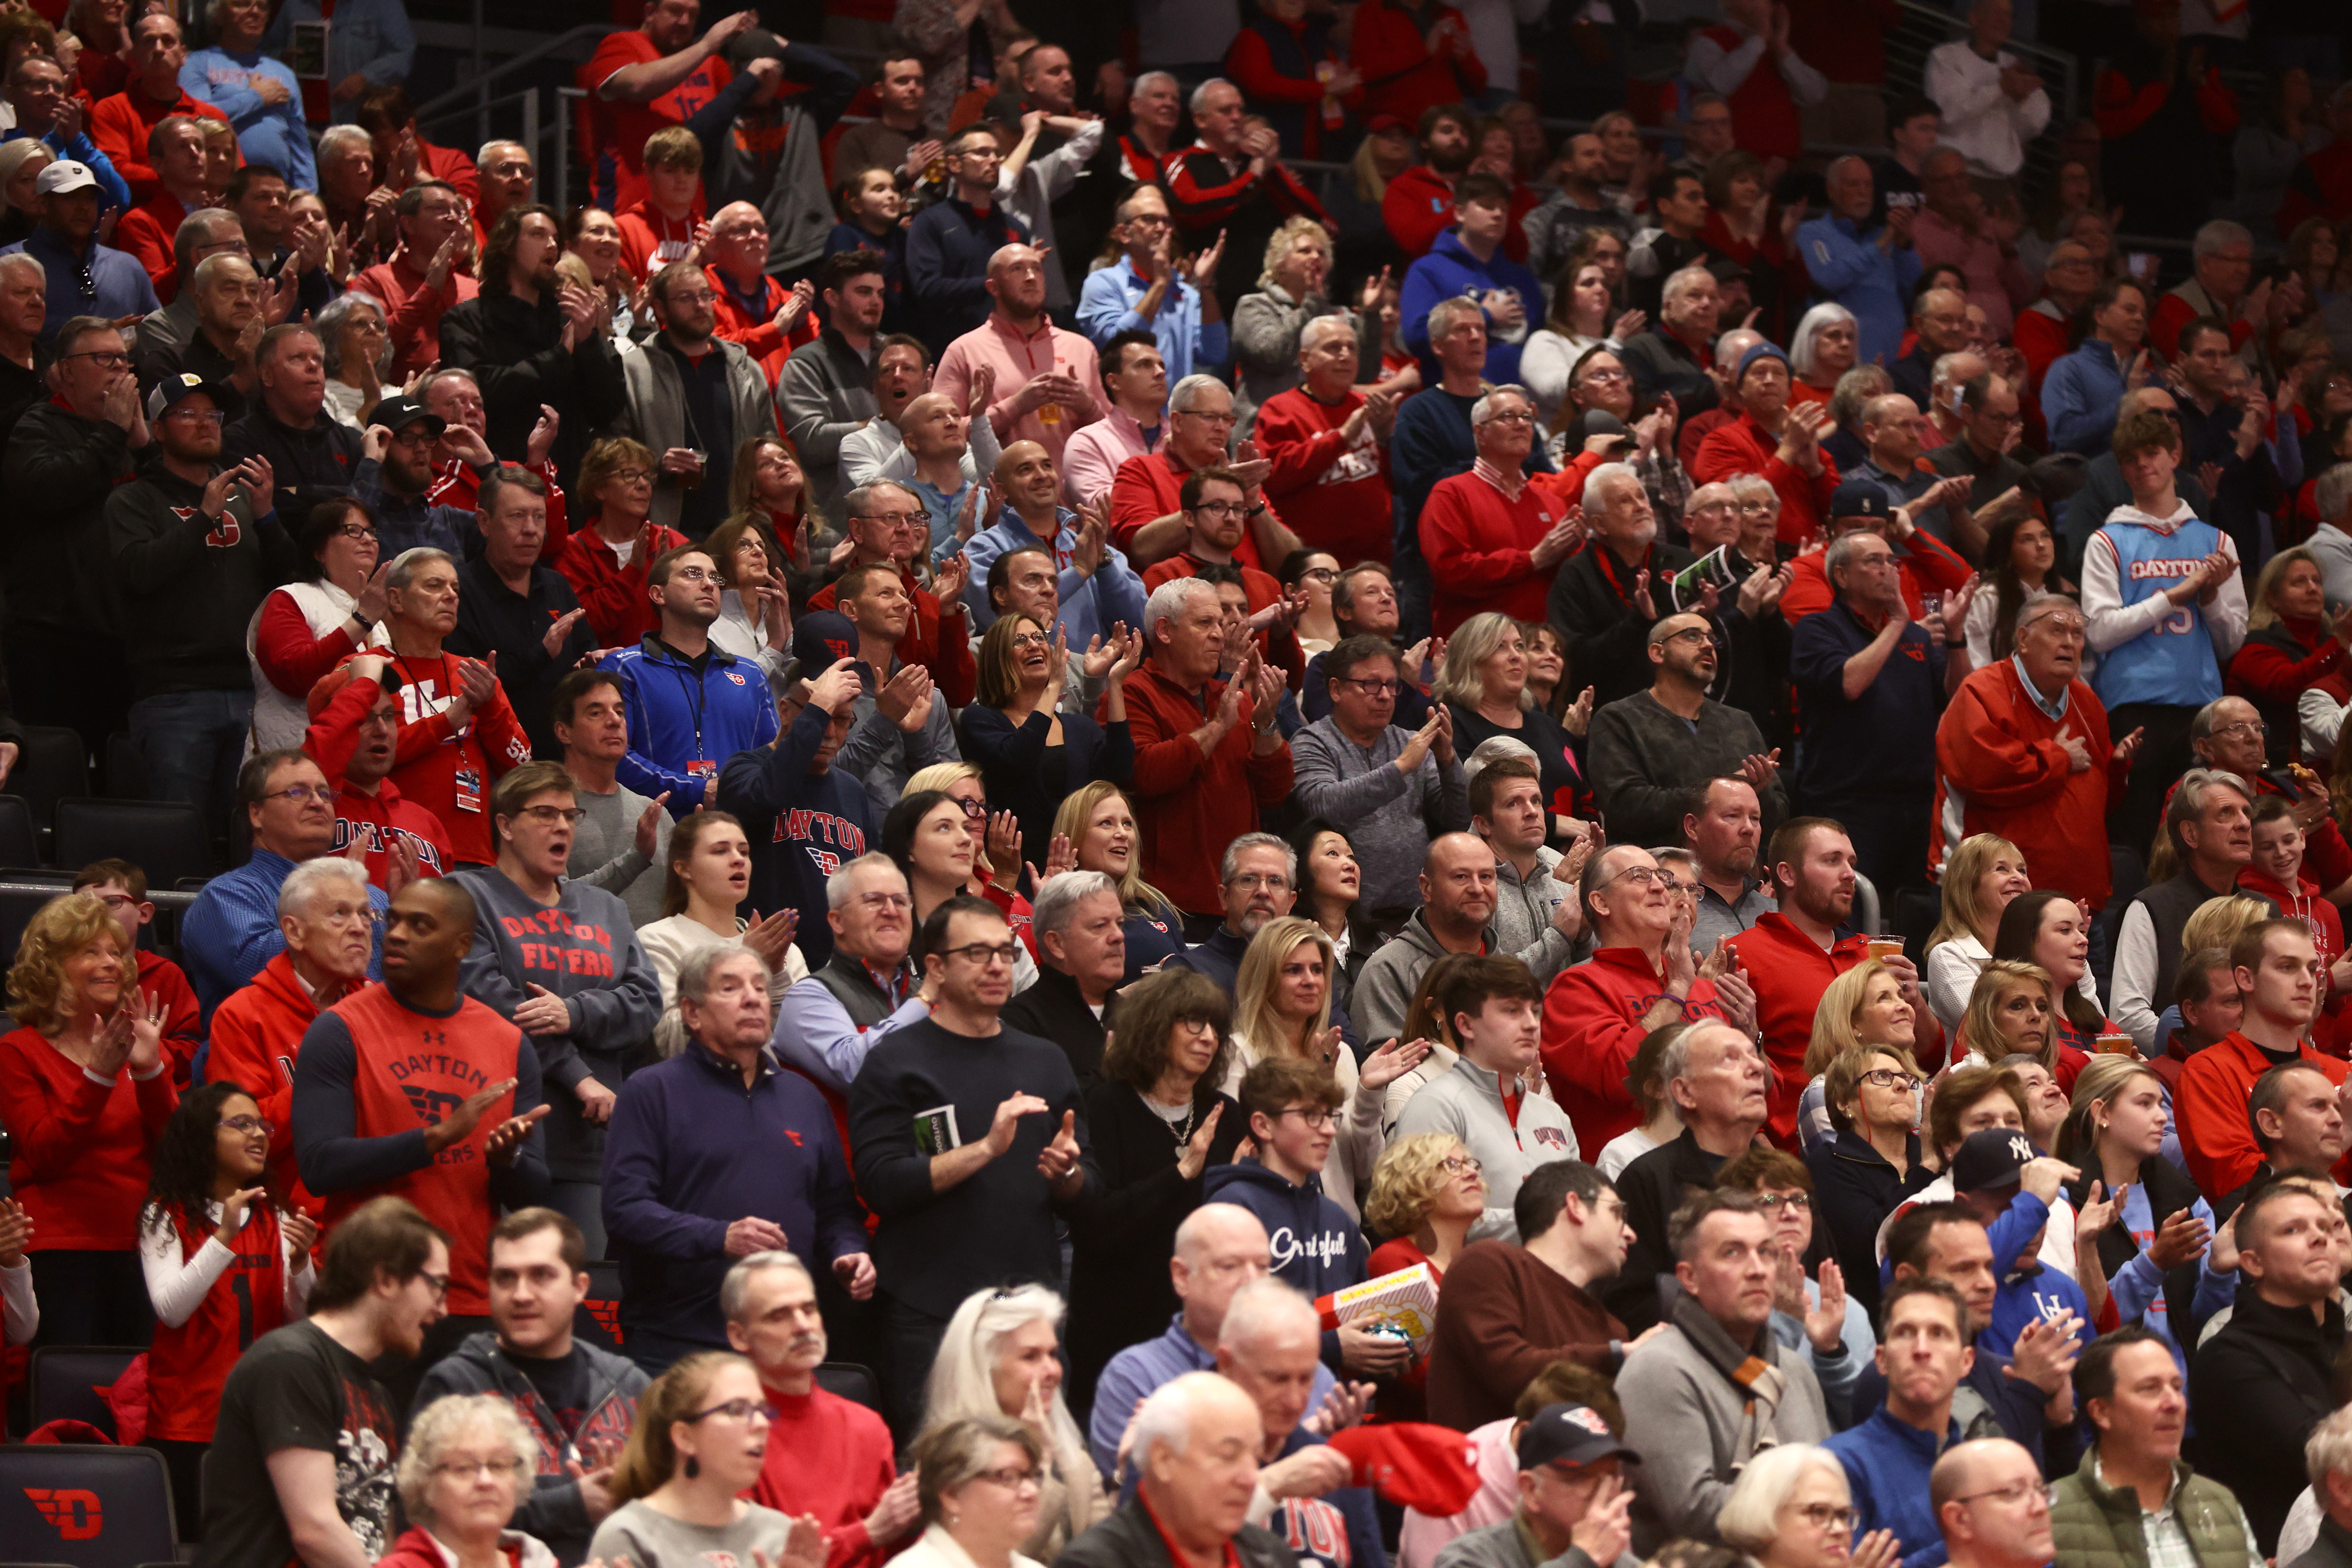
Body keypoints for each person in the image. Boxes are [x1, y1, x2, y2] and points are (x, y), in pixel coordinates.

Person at [847, 894, 1096, 1431]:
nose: (997, 966)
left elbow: (1090, 1187)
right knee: (939, 1478)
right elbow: (881, 1183)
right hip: (931, 1312)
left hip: (1031, 1313)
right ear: (935, 966)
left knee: (1039, 1478)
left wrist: (1069, 1175)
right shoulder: (897, 1061)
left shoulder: (1045, 1060)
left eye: (1005, 953)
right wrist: (985, 1149)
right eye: (977, 953)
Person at [293, 877, 551, 1362]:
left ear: (461, 945)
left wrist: (507, 1159)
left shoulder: (509, 1042)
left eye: (420, 925)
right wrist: (433, 1139)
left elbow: (534, 1191)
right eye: (392, 921)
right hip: (367, 1298)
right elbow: (319, 1163)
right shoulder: (338, 1031)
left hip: (468, 1299)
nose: (395, 934)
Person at [604, 941, 868, 1373]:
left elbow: (836, 1208)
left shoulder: (804, 1098)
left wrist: (848, 1252)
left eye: (761, 988)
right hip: (680, 1344)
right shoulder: (650, 1092)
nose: (752, 998)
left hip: (785, 1342)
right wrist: (719, 1237)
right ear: (692, 1013)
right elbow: (624, 1211)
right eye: (731, 988)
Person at [447, 762, 658, 1259]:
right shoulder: (466, 896)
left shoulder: (607, 910)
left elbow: (646, 1000)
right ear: (504, 825)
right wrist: (579, 1075)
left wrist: (575, 1012)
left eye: (570, 815)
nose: (562, 826)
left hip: (589, 1147)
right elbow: (495, 1009)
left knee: (580, 1303)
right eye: (545, 814)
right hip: (498, 1141)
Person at [196, 1197, 444, 1561]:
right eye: (436, 1285)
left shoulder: (377, 1393)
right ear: (387, 1279)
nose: (443, 1308)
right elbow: (315, 1530)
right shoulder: (290, 1363)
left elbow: (382, 1537)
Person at [411, 1207, 650, 1568]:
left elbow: (680, 1511)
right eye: (505, 1278)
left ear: (580, 1287)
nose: (521, 1294)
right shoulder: (456, 1385)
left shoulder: (630, 1385)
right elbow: (427, 1519)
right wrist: (571, 1506)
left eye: (541, 1276)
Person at [0, 892, 175, 1353]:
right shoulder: (18, 1051)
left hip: (144, 1246)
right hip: (61, 1251)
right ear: (53, 968)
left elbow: (177, 1153)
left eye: (116, 953)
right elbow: (45, 1153)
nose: (111, 964)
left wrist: (149, 1070)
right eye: (90, 952)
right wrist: (98, 1077)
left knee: (138, 1389)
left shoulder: (140, 1045)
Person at [1619, 1189, 1832, 1548]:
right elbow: (1694, 1511)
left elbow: (1827, 1483)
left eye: (1766, 1252)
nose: (1757, 1270)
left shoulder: (1795, 1371)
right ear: (1689, 1278)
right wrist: (1812, 1517)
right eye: (1732, 1253)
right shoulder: (1657, 1370)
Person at [1933, 594, 2135, 916]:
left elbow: (2098, 801)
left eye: (2078, 634)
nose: (2069, 642)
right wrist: (2059, 758)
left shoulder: (2088, 702)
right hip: (1997, 906)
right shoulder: (1982, 691)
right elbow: (1980, 775)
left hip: (2079, 904)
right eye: (2057, 630)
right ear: (2024, 639)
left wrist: (2115, 768)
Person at [721, 1251, 917, 1568]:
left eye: (809, 1310)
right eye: (779, 1316)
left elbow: (899, 1552)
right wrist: (866, 1534)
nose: (802, 1326)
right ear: (739, 1336)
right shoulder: (724, 1435)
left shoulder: (867, 1426)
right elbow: (750, 1559)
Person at [1121, 578, 1292, 922]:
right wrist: (1217, 728)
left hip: (1238, 906)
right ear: (1165, 631)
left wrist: (1265, 723)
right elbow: (1145, 774)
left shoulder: (1232, 698)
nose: (1219, 634)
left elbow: (1276, 792)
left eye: (1220, 624)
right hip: (1166, 905)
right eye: (1205, 623)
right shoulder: (1133, 692)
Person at [1423, 1158, 1636, 1432]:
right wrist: (1616, 1356)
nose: (1631, 1235)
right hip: (1480, 1472)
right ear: (1576, 1206)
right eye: (1618, 1214)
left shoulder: (1613, 1330)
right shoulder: (1488, 1263)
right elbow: (1509, 1372)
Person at [2189, 1179, 2346, 1552]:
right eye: (2293, 1230)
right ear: (2253, 1262)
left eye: (2324, 1227)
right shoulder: (2227, 1357)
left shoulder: (2344, 1343)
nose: (2320, 1238)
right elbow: (2318, 1461)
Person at [180, 750, 388, 1020]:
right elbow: (259, 969)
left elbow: (414, 983)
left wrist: (414, 915)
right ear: (256, 814)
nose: (318, 803)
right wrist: (332, 897)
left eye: (325, 794)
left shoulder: (376, 898)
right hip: (263, 1054)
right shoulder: (225, 897)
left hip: (373, 1050)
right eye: (297, 792)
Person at [1606, 1016, 1778, 1333]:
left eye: (1753, 1056)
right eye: (1730, 1059)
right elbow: (1630, 1302)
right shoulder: (1647, 1179)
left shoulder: (1784, 1178)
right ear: (1685, 1092)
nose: (1756, 1068)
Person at [438, 204, 629, 484]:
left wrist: (589, 342)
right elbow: (483, 393)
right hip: (496, 479)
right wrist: (560, 356)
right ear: (507, 247)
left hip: (567, 481)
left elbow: (608, 408)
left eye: (555, 238)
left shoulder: (570, 318)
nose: (552, 245)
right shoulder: (466, 321)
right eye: (539, 235)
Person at [917, 1285, 1111, 1559]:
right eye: (1030, 1357)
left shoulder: (1076, 1464)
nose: (1053, 1371)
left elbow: (1108, 1558)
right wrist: (1039, 1461)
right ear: (985, 1369)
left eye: (1053, 1354)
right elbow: (998, 1559)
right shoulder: (948, 1469)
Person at [1394, 955, 1580, 1240]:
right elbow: (1429, 1216)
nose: (1532, 1024)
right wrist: (1552, 1221)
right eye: (1512, 1011)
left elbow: (1579, 1204)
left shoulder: (1552, 1114)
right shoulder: (1435, 1105)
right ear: (1466, 1026)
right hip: (1475, 1280)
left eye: (1536, 1012)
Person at [584, 1350, 825, 1568]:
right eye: (737, 1410)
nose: (762, 1424)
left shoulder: (780, 1533)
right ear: (685, 1437)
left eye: (763, 1410)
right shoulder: (628, 1536)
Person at [1207, 1279, 1388, 1568]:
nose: (1295, 1401)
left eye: (1306, 1379)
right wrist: (1271, 1487)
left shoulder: (1334, 1466)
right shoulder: (1183, 1458)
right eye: (1277, 1379)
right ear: (1227, 1365)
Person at [1291, 635, 1468, 917]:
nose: (1385, 696)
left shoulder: (1409, 742)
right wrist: (1400, 768)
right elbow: (1322, 806)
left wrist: (1448, 762)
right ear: (1336, 690)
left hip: (1417, 912)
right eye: (1371, 685)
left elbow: (1457, 820)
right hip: (1346, 915)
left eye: (1391, 685)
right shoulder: (1312, 742)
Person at [2177, 919, 2351, 1200]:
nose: (2307, 981)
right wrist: (2342, 1136)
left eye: (2311, 969)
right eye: (2287, 967)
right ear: (2246, 979)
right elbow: (2233, 1183)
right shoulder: (2208, 1072)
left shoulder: (2340, 1072)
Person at [1589, 613, 1786, 854]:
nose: (1708, 645)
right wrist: (1721, 793)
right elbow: (1626, 806)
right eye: (1692, 636)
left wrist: (1759, 791)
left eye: (1713, 639)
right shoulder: (1618, 718)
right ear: (1657, 653)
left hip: (1739, 875)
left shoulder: (1740, 722)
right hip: (1655, 874)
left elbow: (1779, 814)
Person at [447, 467, 599, 761]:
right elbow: (469, 683)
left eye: (538, 517)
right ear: (484, 522)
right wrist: (542, 653)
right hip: (494, 762)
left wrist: (596, 661)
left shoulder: (557, 585)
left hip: (566, 760)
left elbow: (585, 649)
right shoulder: (457, 591)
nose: (531, 529)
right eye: (517, 516)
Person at [1817, 1279, 1970, 1568]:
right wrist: (1973, 1541)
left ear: (1967, 1361)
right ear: (1882, 1359)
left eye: (1939, 1333)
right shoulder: (1834, 1465)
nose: (1922, 1349)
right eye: (1905, 1333)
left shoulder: (1982, 1469)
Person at [619, 262, 775, 541]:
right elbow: (616, 452)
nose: (701, 305)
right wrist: (657, 467)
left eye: (706, 295)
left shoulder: (745, 369)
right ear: (661, 308)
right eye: (686, 298)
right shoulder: (633, 369)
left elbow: (768, 440)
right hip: (665, 527)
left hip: (738, 528)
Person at [2112, 769, 2260, 1052]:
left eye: (2246, 813)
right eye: (2226, 813)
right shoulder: (2150, 908)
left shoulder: (2266, 910)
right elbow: (2128, 1014)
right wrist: (2194, 1047)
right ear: (2191, 833)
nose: (2243, 823)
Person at [1252, 315, 1398, 570]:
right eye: (1333, 348)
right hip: (1313, 565)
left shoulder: (1365, 405)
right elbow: (1275, 476)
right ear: (1305, 359)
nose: (1346, 356)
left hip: (1376, 561)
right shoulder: (1280, 410)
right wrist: (1341, 439)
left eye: (1352, 348)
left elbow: (1392, 479)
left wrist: (1385, 438)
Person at [556, 668, 675, 930]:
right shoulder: (547, 814)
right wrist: (636, 857)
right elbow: (552, 901)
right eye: (596, 713)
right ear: (564, 732)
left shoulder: (655, 813)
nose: (614, 721)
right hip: (583, 966)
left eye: (620, 712)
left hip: (657, 967)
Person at [1797, 159, 1923, 371]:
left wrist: (1903, 245)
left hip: (1896, 357)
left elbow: (1914, 289)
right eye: (1853, 185)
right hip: (1844, 358)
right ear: (1832, 191)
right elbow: (1828, 278)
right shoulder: (1813, 233)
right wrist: (1879, 245)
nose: (1863, 192)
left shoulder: (1882, 235)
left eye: (1868, 185)